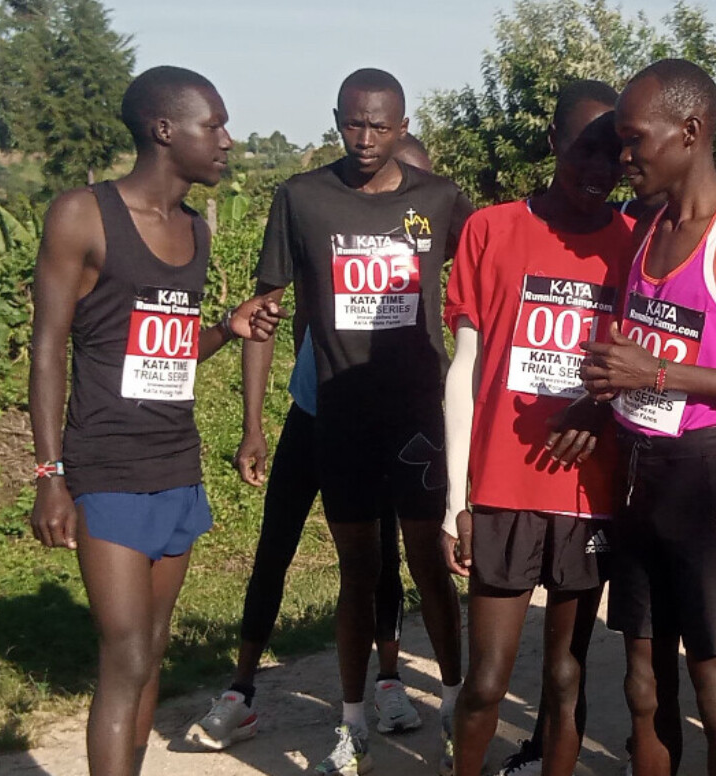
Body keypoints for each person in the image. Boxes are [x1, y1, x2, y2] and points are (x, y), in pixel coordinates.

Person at [28, 66, 285, 776]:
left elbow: (164, 353)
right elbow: (48, 347)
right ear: (164, 130)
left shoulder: (194, 229)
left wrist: (227, 330)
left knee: (152, 651)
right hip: (106, 466)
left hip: (176, 464)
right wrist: (50, 474)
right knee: (127, 653)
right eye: (215, 125)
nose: (227, 141)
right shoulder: (83, 214)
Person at [580, 58, 716, 776]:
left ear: (690, 130)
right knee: (642, 684)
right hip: (637, 472)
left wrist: (656, 373)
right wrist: (603, 385)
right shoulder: (645, 226)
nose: (624, 156)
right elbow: (636, 348)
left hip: (709, 479)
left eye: (634, 138)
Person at [246, 68, 471, 775]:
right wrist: (255, 421)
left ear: (403, 128)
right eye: (353, 123)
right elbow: (263, 311)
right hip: (340, 419)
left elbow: (486, 279)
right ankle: (351, 726)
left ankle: (457, 710)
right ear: (336, 118)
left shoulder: (439, 199)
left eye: (380, 126)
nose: (366, 138)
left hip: (418, 419)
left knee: (432, 568)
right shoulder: (302, 198)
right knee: (358, 573)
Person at [186, 133, 436, 752]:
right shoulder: (326, 224)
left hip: (384, 421)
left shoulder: (419, 243)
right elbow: (268, 315)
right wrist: (253, 425)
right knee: (275, 545)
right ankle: (241, 690)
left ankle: (388, 681)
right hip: (313, 412)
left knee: (381, 557)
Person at [441, 79, 632, 776]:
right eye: (584, 149)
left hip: (590, 495)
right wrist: (455, 501)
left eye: (613, 152)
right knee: (487, 681)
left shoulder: (636, 246)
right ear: (553, 142)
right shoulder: (490, 230)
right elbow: (465, 371)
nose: (599, 167)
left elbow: (642, 371)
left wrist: (601, 406)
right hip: (502, 490)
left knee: (564, 678)